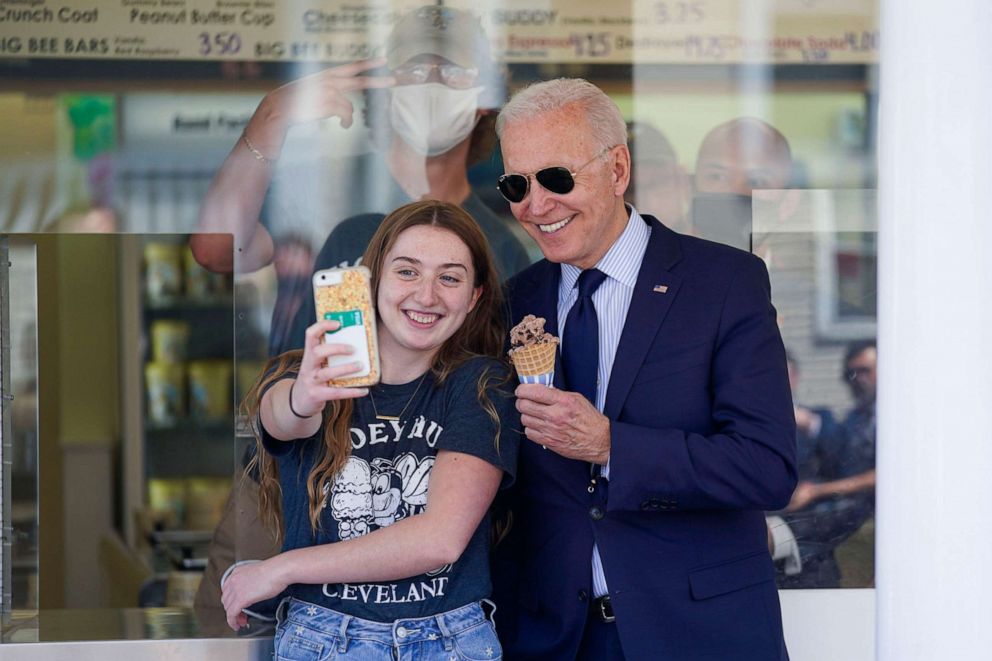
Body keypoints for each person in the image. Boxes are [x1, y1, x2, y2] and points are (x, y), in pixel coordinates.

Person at [490, 78, 797, 660]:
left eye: (556, 178)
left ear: (617, 169)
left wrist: (612, 446)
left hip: (697, 634)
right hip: (554, 638)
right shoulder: (511, 303)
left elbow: (767, 467)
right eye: (516, 184)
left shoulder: (724, 283)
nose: (535, 205)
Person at [220, 200, 519, 658]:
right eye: (407, 272)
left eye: (450, 277)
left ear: (474, 296)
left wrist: (282, 569)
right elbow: (280, 418)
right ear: (371, 280)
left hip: (449, 641)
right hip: (322, 638)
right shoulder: (307, 374)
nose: (427, 295)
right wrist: (305, 396)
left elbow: (439, 539)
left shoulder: (481, 384)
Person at [191, 5, 530, 356]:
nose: (432, 84)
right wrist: (271, 116)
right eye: (413, 70)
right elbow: (216, 251)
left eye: (454, 72)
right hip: (306, 408)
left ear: (486, 95)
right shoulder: (322, 186)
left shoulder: (501, 247)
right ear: (383, 86)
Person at [771, 342, 877, 588]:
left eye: (781, 374)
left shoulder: (820, 420)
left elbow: (846, 463)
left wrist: (811, 424)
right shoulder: (740, 424)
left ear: (794, 377)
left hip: (810, 532)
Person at [691, 117, 795, 250]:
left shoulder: (803, 269)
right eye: (717, 177)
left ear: (788, 202)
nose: (735, 190)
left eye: (756, 181)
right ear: (690, 187)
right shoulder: (663, 263)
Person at [624, 121, 691, 233]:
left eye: (659, 183)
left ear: (682, 181)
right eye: (630, 190)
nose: (649, 202)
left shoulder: (713, 242)